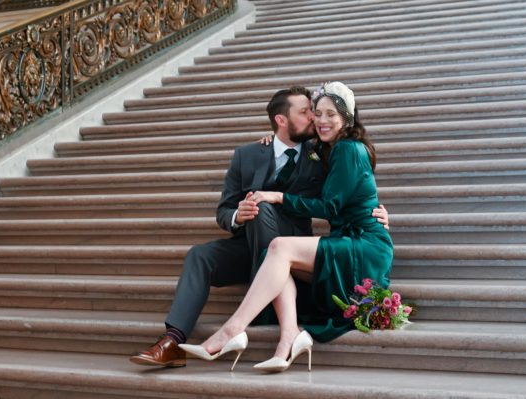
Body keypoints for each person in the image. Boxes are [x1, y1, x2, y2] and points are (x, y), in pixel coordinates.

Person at [130, 85, 390, 368]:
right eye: (309, 113)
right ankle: (172, 340)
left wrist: (374, 212)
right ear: (281, 120)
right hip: (251, 245)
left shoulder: (320, 154)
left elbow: (345, 192)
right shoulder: (250, 154)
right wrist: (237, 215)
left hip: (296, 243)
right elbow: (224, 211)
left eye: (322, 114)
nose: (316, 120)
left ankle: (237, 326)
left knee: (267, 213)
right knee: (200, 254)